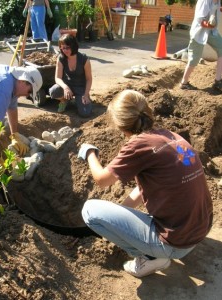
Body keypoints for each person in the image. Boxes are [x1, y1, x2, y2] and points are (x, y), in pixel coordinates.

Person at [78, 90, 213, 278]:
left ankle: (148, 257)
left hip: (175, 243)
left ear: (120, 125)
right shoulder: (167, 135)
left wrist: (90, 153)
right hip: (199, 229)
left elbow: (101, 180)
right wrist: (120, 217)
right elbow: (150, 187)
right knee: (124, 207)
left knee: (89, 209)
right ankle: (154, 250)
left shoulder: (138, 145)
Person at [180, 0, 222, 91]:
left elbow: (216, 9)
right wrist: (210, 24)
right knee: (194, 59)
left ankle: (218, 81)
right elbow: (201, 21)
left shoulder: (218, 1)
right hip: (199, 32)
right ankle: (184, 83)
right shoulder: (205, 1)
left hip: (211, 32)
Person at [49, 34, 93, 117]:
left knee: (85, 113)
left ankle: (79, 99)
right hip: (68, 85)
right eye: (62, 47)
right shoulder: (61, 58)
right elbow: (58, 78)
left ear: (73, 46)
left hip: (81, 87)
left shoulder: (84, 59)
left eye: (67, 47)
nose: (65, 50)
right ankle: (65, 100)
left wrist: (86, 94)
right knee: (54, 91)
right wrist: (65, 87)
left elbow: (89, 79)